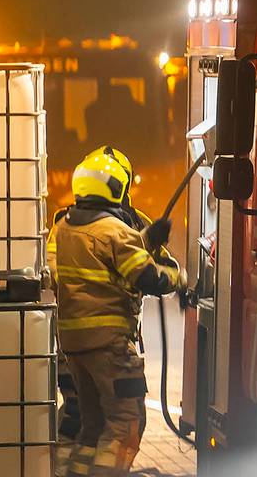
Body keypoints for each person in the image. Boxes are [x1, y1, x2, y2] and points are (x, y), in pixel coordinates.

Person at [48, 146, 185, 477]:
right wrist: (178, 280)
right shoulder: (117, 230)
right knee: (125, 426)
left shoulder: (64, 227)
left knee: (90, 429)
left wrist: (146, 240)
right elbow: (148, 276)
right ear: (117, 187)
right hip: (109, 348)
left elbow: (101, 258)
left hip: (73, 348)